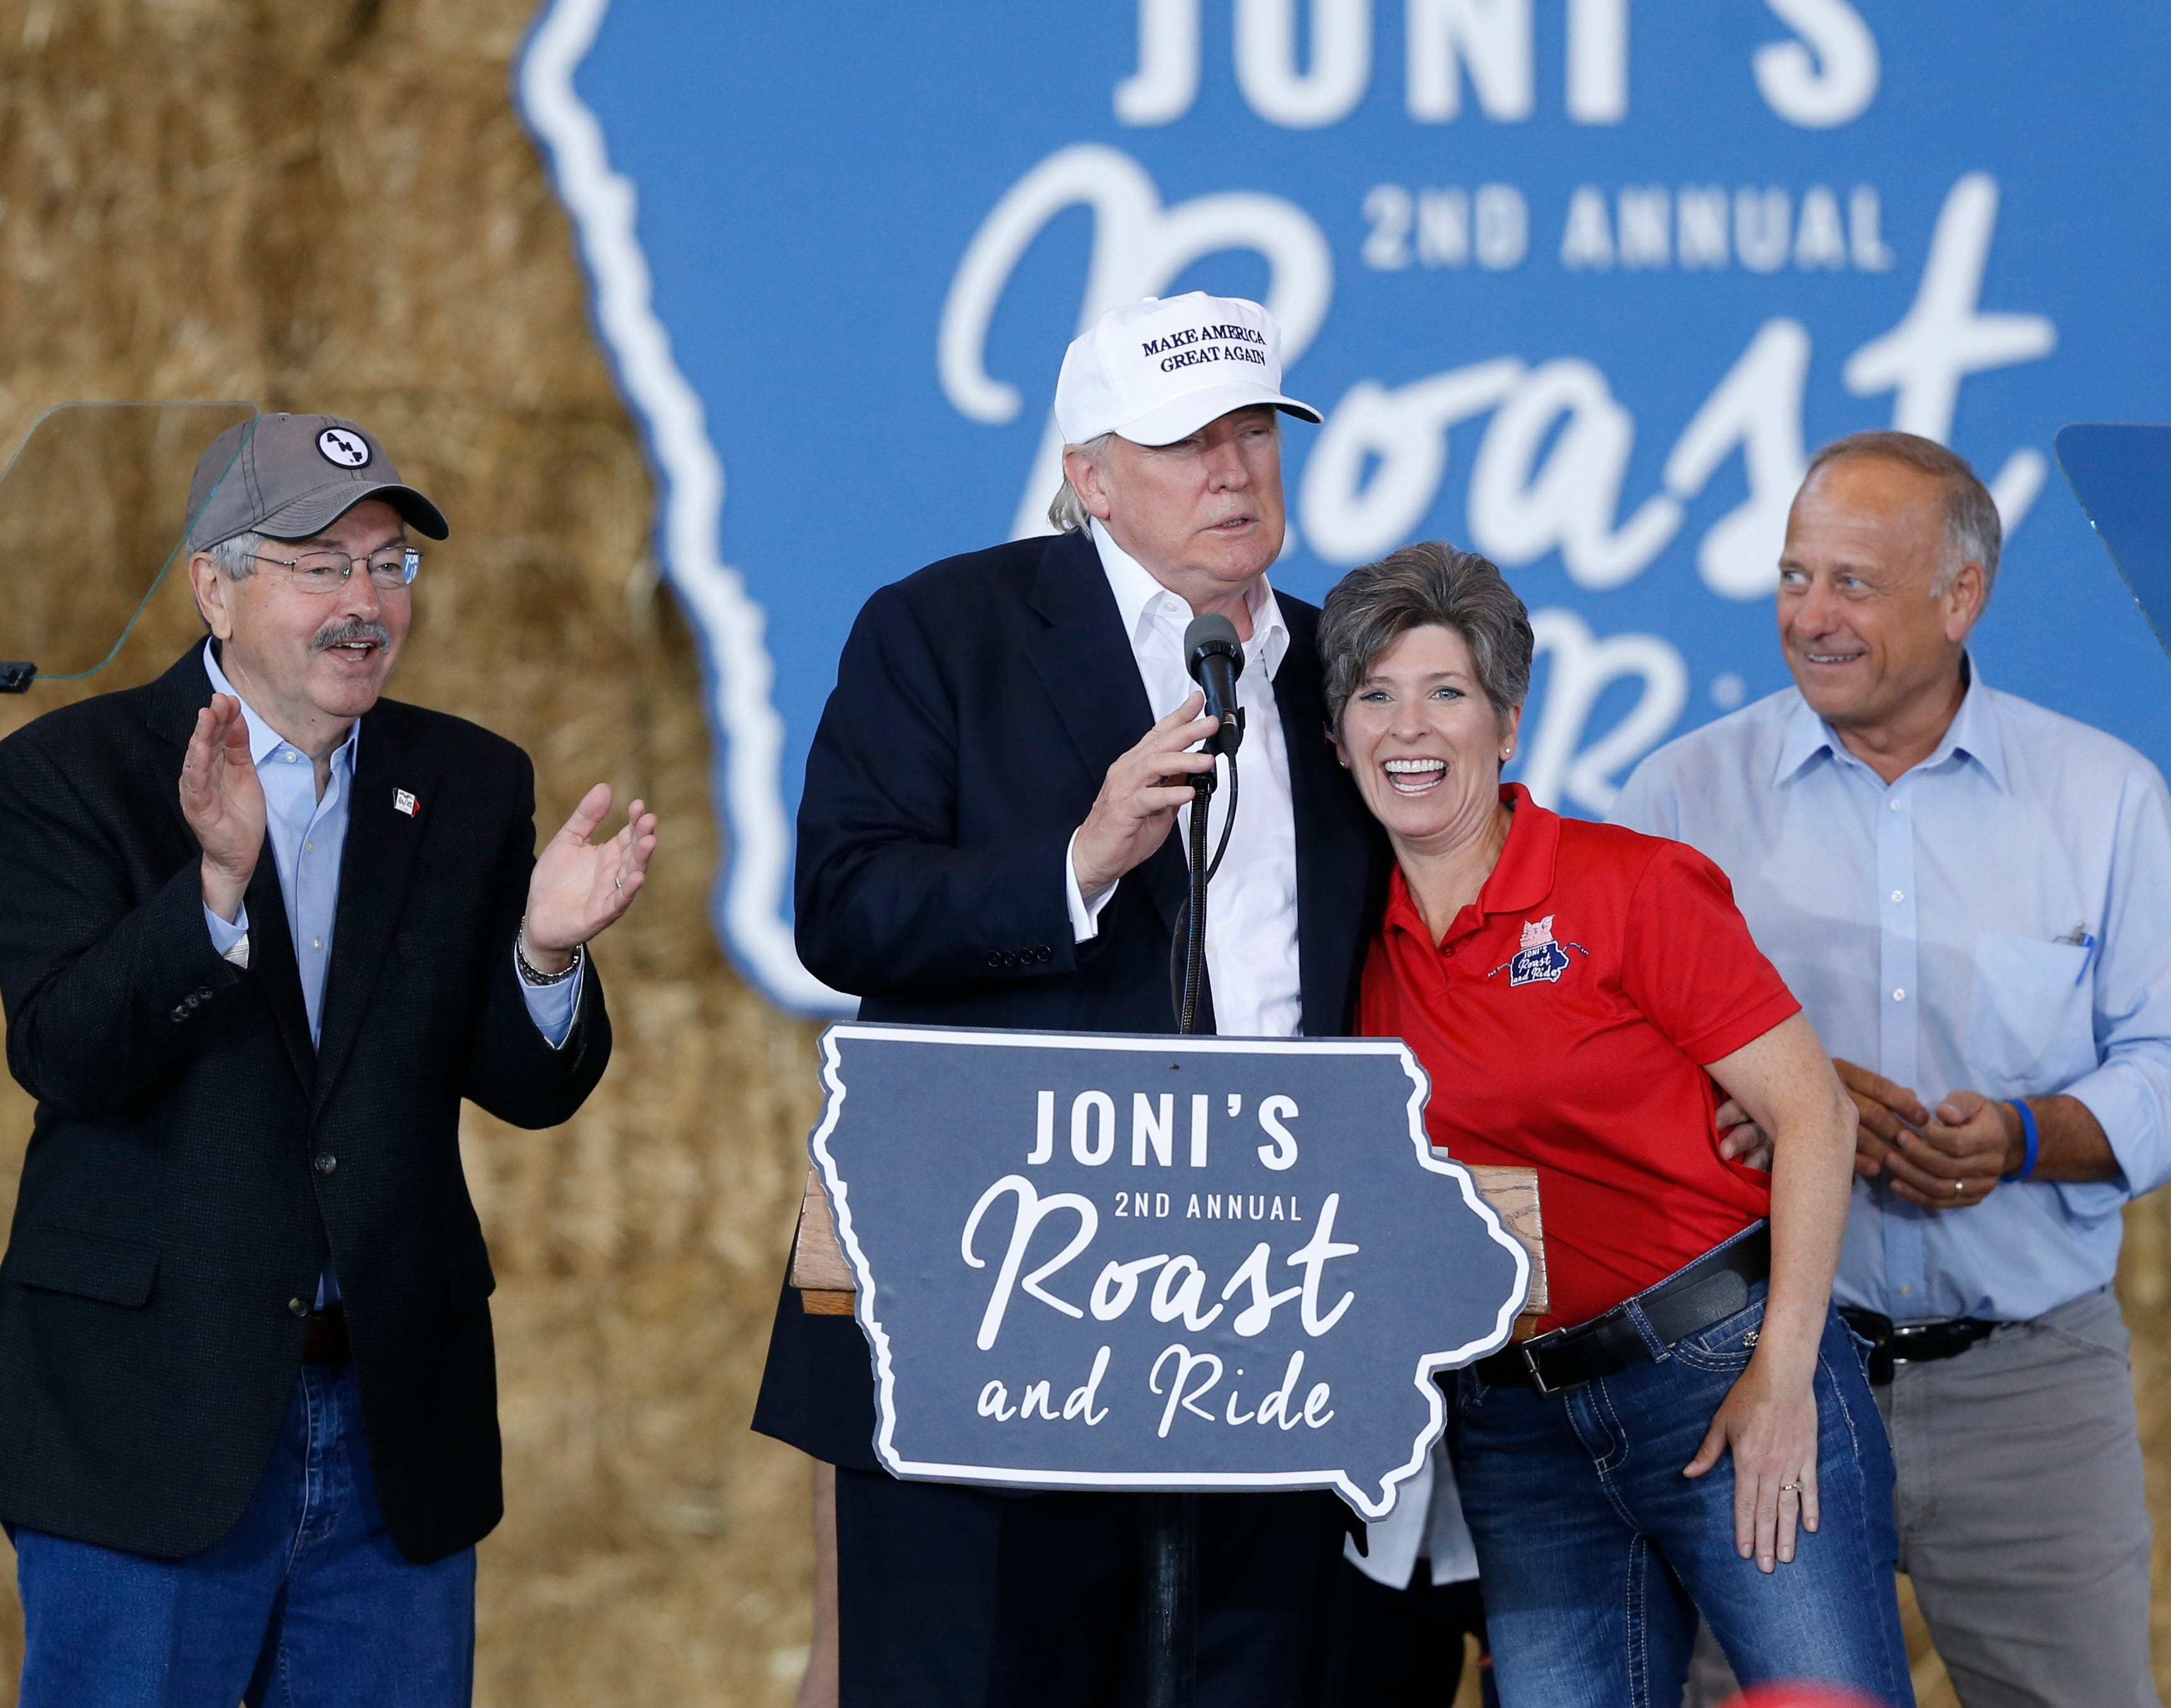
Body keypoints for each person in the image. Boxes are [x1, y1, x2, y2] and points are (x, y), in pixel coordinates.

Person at [750, 292, 1384, 1707]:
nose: (1233, 467)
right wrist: (1077, 861)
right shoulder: (944, 629)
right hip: (998, 1315)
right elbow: (844, 909)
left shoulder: (1348, 666)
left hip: (1265, 1321)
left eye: (1253, 431)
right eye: (1183, 441)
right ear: (1090, 479)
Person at [0, 412, 658, 1708]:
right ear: (216, 584)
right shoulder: (66, 774)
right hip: (153, 1418)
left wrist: (540, 950)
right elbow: (66, 1052)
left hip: (388, 1422)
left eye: (389, 566)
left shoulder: (467, 779)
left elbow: (531, 1086)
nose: (364, 603)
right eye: (319, 564)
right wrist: (214, 892)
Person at [1616, 430, 2171, 1708]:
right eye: (1793, 575)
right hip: (1764, 1377)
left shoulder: (2099, 796)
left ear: (1962, 596)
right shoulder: (1679, 796)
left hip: (2027, 1385)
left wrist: (2022, 1135)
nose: (1809, 616)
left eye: (1852, 581)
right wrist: (1768, 1097)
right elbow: (1605, 1074)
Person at [1320, 539, 1914, 1708]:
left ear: (1507, 721)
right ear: (1336, 735)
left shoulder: (1629, 886)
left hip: (1715, 1367)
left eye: (1445, 693)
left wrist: (1783, 1375)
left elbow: (1813, 1115)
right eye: (1373, 696)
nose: (1408, 728)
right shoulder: (1339, 931)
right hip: (1512, 1419)